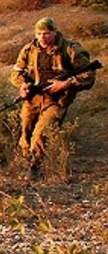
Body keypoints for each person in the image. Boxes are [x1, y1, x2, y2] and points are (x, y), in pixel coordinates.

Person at [9, 16, 96, 178]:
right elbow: (16, 73)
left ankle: (34, 167)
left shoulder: (71, 49)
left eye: (47, 33)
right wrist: (23, 86)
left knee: (40, 134)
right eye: (39, 33)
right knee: (26, 134)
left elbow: (88, 75)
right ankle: (27, 161)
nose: (42, 37)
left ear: (55, 32)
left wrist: (65, 84)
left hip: (57, 100)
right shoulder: (29, 50)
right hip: (33, 98)